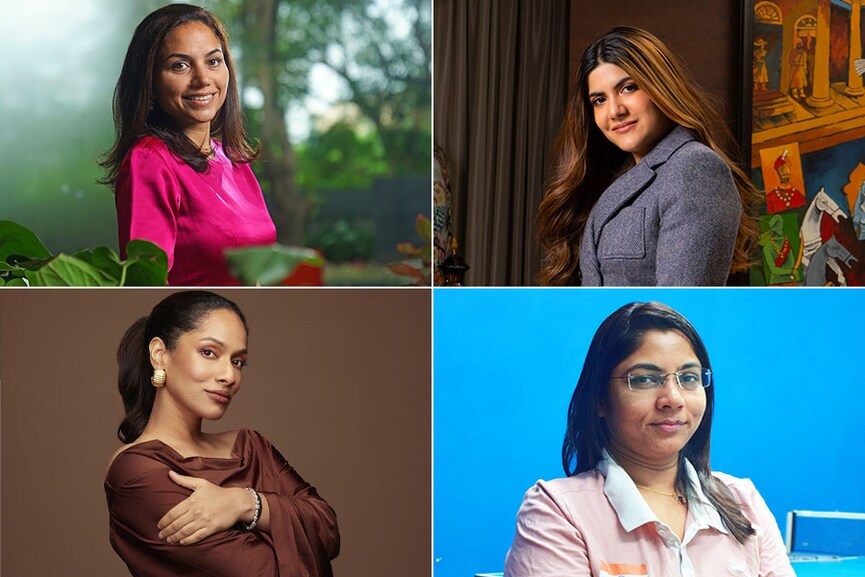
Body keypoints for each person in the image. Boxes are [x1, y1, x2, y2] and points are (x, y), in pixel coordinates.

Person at [504, 302, 795, 576]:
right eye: (644, 379)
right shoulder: (557, 511)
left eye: (689, 378)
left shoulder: (743, 501)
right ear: (600, 399)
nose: (673, 398)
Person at [104, 291, 339, 576]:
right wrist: (283, 520)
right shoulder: (137, 472)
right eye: (209, 353)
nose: (230, 376)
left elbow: (327, 530)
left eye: (238, 361)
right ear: (159, 355)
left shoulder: (251, 447)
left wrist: (245, 504)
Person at [536, 27, 758, 286]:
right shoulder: (616, 178)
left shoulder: (695, 168)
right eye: (599, 100)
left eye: (629, 88)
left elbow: (676, 310)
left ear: (661, 86)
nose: (615, 111)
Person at [100, 4, 276, 285]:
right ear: (150, 82)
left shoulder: (233, 160)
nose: (203, 79)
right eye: (180, 65)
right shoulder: (149, 161)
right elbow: (146, 285)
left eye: (213, 61)